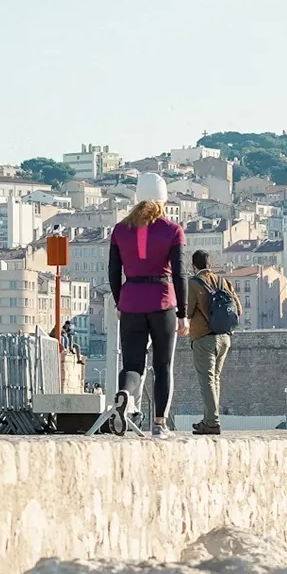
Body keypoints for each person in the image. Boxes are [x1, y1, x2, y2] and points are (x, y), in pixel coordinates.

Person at [107, 173, 186, 434]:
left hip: (130, 302)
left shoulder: (120, 230)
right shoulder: (173, 231)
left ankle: (124, 396)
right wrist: (183, 313)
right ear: (163, 201)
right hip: (162, 301)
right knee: (162, 366)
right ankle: (160, 425)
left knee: (132, 365)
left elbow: (113, 271)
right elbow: (179, 273)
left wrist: (120, 302)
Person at [184, 250, 237, 436]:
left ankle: (212, 422)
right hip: (224, 338)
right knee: (215, 380)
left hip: (204, 338)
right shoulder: (222, 281)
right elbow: (238, 308)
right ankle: (208, 420)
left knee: (206, 382)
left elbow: (188, 311)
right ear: (210, 264)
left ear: (194, 266)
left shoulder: (194, 283)